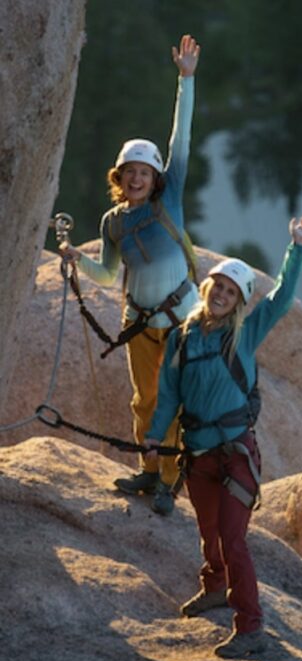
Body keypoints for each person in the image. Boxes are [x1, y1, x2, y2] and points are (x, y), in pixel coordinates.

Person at [144, 213, 302, 659]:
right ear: (207, 289)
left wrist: (296, 248)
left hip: (235, 453)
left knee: (234, 539)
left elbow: (280, 299)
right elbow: (167, 394)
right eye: (218, 287)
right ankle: (216, 587)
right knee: (209, 532)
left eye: (231, 291)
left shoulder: (243, 333)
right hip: (199, 453)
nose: (222, 294)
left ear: (240, 301)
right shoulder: (183, 339)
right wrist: (152, 436)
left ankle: (250, 626)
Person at [59, 34, 201, 517]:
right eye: (128, 173)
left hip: (180, 319)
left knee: (172, 403)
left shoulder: (170, 202)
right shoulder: (113, 222)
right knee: (145, 401)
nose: (136, 178)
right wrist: (80, 264)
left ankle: (167, 481)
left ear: (156, 176)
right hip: (140, 322)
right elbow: (108, 274)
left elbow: (180, 139)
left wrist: (186, 79)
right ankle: (149, 469)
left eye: (143, 172)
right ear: (118, 179)